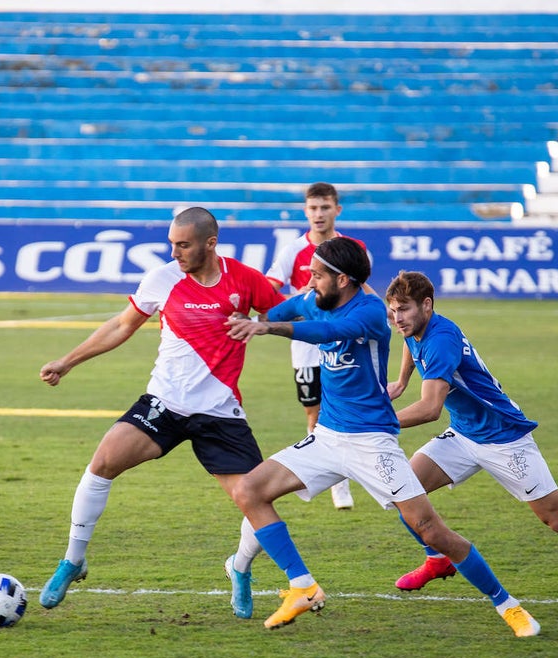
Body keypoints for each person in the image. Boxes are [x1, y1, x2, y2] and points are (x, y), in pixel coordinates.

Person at [225, 237, 541, 636]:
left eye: (317, 274)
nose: (309, 279)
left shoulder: (372, 311)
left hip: (372, 442)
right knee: (249, 491)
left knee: (430, 529)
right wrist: (238, 307)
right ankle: (303, 586)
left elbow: (328, 332)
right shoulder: (313, 300)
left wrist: (268, 327)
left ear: (342, 279)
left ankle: (507, 605)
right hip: (327, 438)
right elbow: (272, 306)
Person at [36, 206, 287, 609]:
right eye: (171, 244)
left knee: (255, 499)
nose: (175, 253)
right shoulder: (161, 279)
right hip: (164, 403)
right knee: (102, 463)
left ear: (210, 243)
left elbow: (283, 315)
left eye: (183, 245)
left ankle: (239, 566)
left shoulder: (245, 280)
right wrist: (67, 361)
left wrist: (268, 324)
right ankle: (73, 561)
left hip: (220, 412)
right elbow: (122, 325)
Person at [384, 270, 558, 611]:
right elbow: (411, 345)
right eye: (392, 311)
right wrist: (402, 380)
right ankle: (438, 559)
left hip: (504, 438)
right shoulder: (416, 327)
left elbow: (429, 409)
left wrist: (379, 423)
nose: (397, 319)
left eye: (404, 310)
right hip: (465, 433)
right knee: (402, 492)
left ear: (427, 305)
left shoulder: (440, 340)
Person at [264, 182, 363, 511]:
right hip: (305, 345)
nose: (319, 214)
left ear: (337, 209)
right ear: (305, 211)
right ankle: (331, 473)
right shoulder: (293, 251)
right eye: (313, 208)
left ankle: (341, 481)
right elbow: (269, 290)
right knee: (314, 411)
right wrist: (301, 297)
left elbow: (363, 293)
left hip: (342, 341)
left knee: (344, 405)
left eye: (325, 207)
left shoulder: (352, 248)